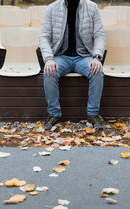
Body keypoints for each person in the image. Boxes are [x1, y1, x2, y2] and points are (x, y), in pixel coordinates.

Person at [39, 0, 106, 130]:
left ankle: (92, 114)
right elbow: (44, 37)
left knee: (97, 71)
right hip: (61, 56)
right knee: (49, 72)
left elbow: (99, 35)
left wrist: (97, 57)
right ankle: (54, 114)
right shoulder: (52, 8)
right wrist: (48, 59)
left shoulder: (92, 7)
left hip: (84, 56)